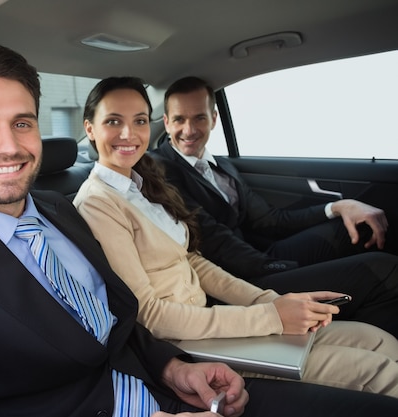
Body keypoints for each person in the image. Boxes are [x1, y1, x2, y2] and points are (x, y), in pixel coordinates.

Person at [0, 42, 398, 417]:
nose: (9, 145)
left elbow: (123, 316)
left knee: (379, 356)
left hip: (175, 381)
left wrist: (174, 367)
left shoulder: (59, 212)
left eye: (23, 122)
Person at [73, 76, 398, 397]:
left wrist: (269, 300)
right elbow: (150, 315)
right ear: (90, 128)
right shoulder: (98, 203)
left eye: (140, 121)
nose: (128, 134)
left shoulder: (143, 185)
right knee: (380, 373)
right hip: (183, 345)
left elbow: (193, 261)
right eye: (113, 121)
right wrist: (268, 317)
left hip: (214, 323)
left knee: (378, 341)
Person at [150, 76, 397, 280]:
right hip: (235, 276)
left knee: (359, 224)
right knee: (384, 268)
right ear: (167, 123)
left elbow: (271, 220)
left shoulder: (223, 166)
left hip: (260, 253)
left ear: (213, 119)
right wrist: (278, 268)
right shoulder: (160, 167)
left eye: (199, 118)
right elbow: (211, 237)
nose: (189, 130)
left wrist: (339, 207)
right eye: (180, 119)